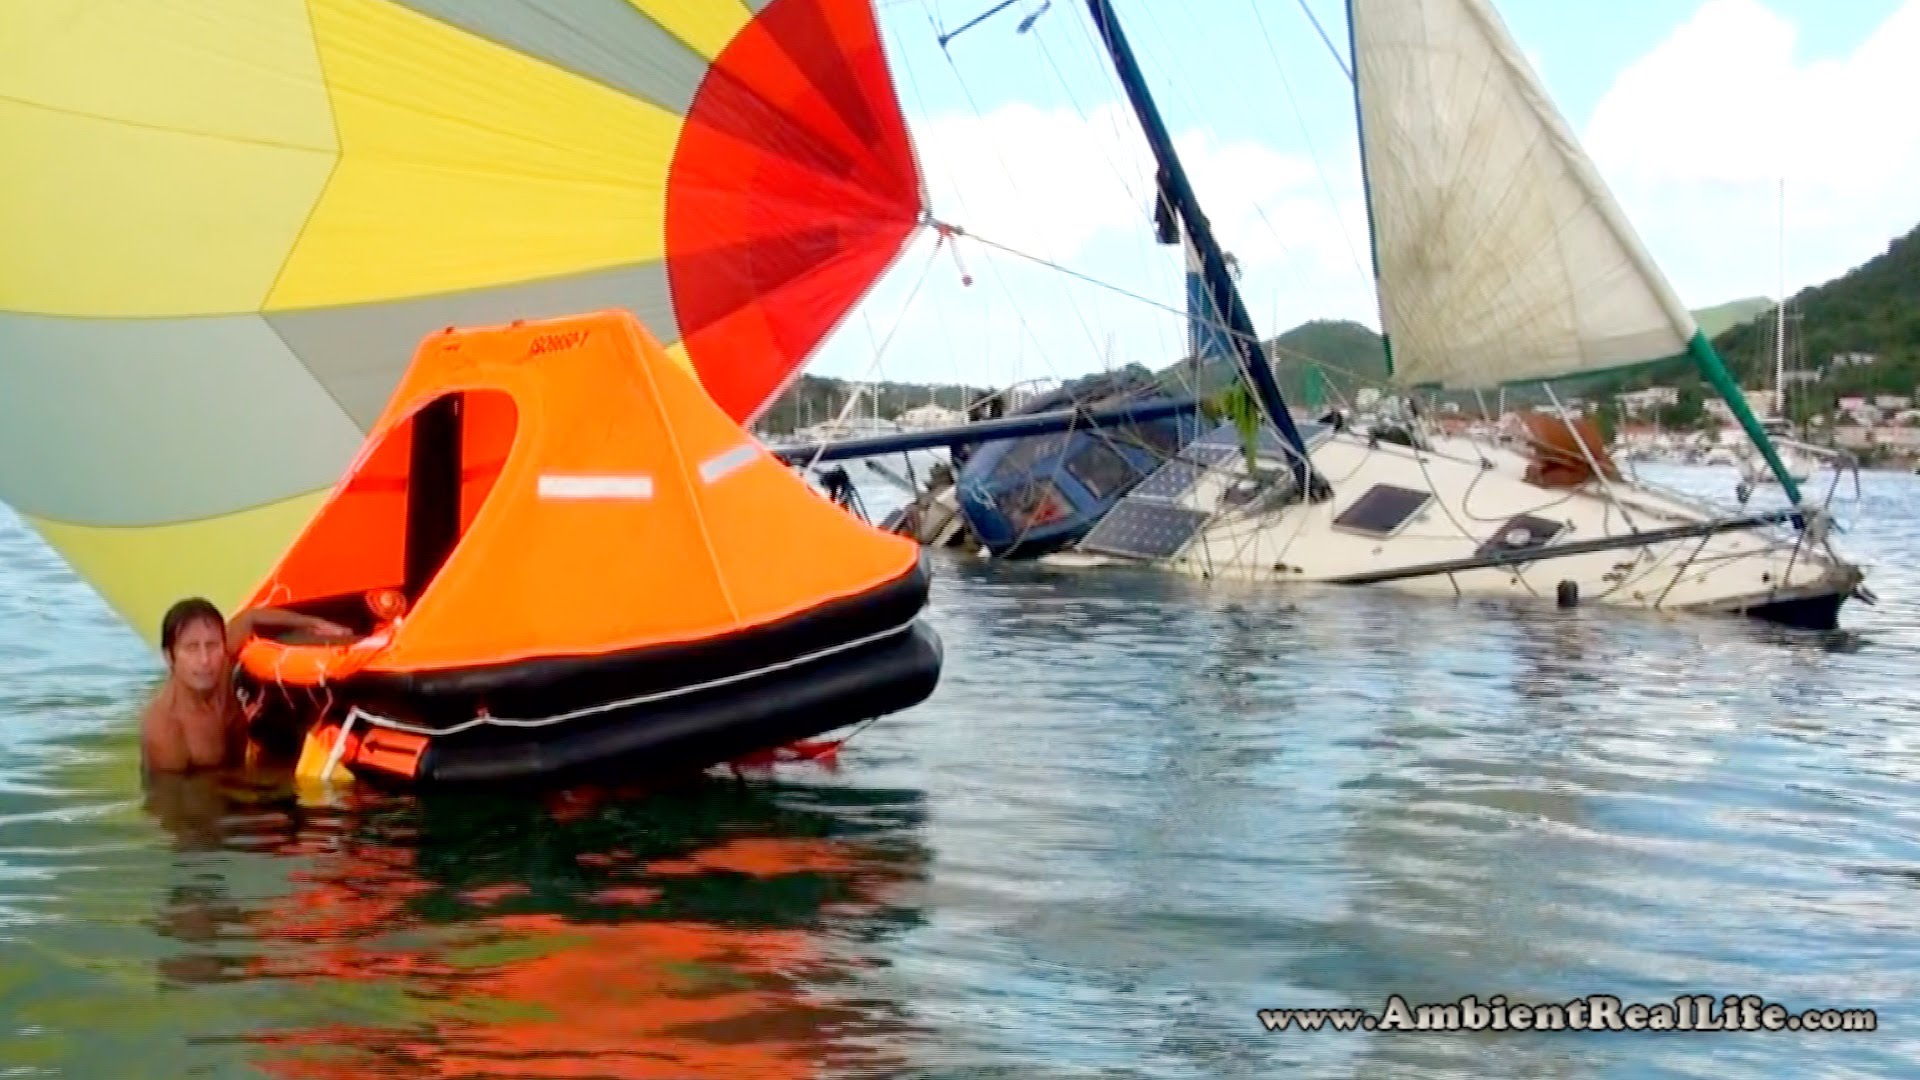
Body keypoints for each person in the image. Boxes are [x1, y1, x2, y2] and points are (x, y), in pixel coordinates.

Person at [140, 598, 354, 775]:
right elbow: (176, 805)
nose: (205, 659)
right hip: (207, 804)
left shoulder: (222, 664)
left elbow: (250, 617)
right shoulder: (166, 728)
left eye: (212, 645)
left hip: (241, 773)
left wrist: (313, 624)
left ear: (223, 646)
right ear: (170, 657)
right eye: (191, 648)